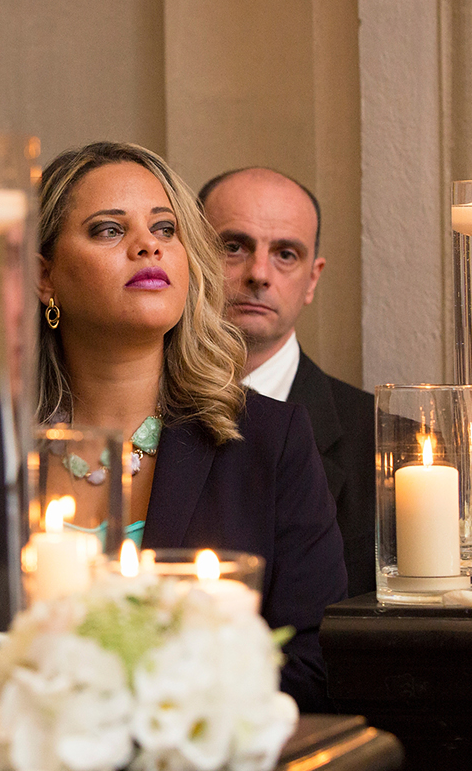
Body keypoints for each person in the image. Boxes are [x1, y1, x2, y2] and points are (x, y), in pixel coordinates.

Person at [36, 141, 347, 712]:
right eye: (108, 230)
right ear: (44, 277)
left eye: (166, 229)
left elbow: (313, 664)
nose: (147, 245)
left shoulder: (269, 442)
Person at [199, 167, 377, 598]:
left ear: (312, 279)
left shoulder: (381, 440)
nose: (259, 273)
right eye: (234, 247)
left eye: (285, 254)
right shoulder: (139, 409)